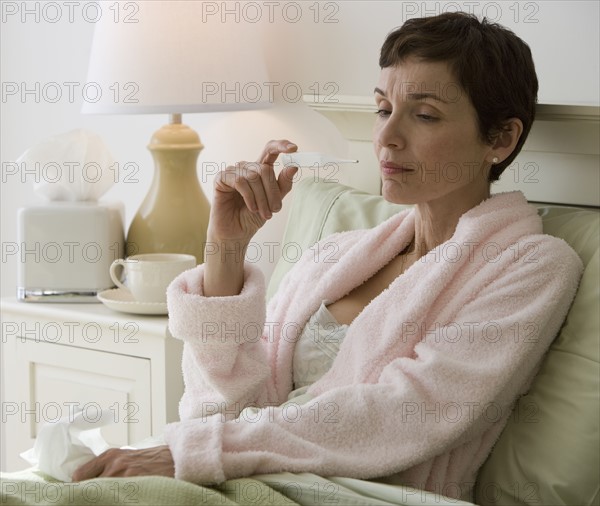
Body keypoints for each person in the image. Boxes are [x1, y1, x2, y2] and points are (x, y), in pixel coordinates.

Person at [73, 12, 582, 501]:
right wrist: (226, 249)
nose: (385, 137)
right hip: (241, 478)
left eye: (424, 115)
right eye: (383, 109)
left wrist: (199, 452)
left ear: (501, 138)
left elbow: (407, 411)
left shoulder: (530, 266)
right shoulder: (335, 255)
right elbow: (225, 410)